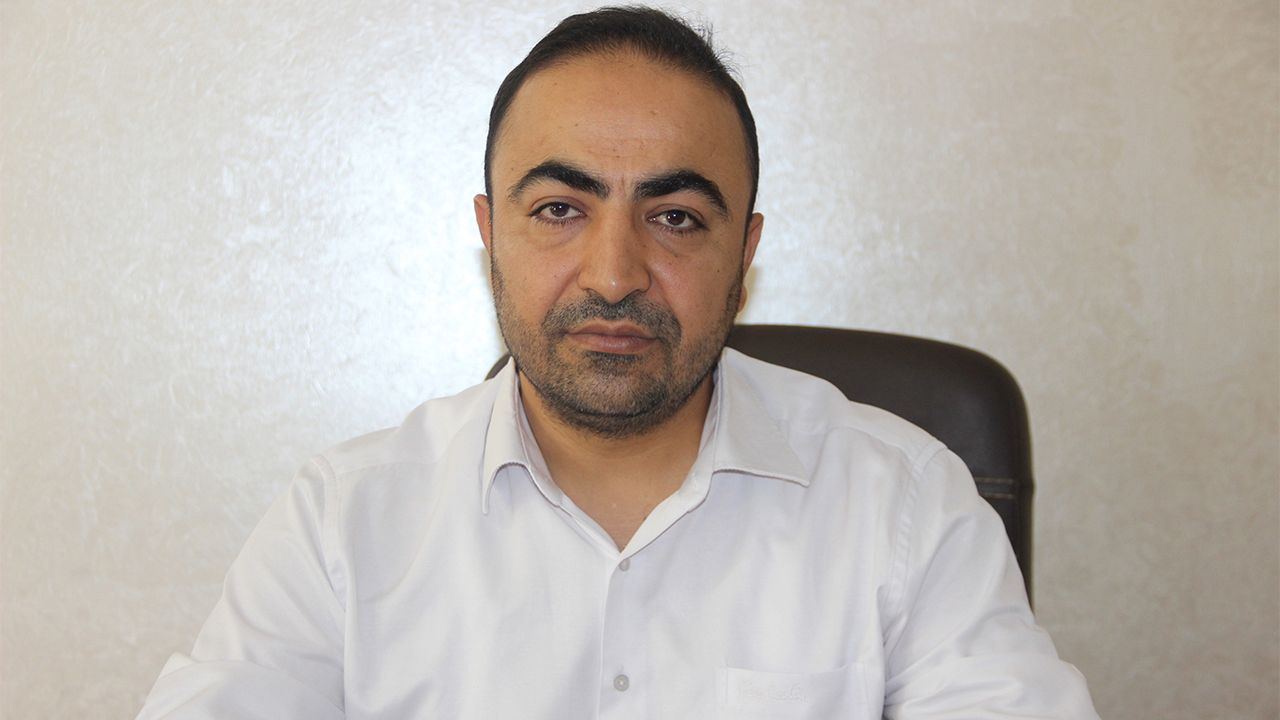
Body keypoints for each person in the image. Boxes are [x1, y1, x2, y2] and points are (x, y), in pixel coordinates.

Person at [138, 6, 1099, 719]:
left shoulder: (905, 505)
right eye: (561, 209)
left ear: (745, 254)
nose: (614, 274)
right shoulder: (345, 523)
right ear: (491, 234)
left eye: (675, 217)